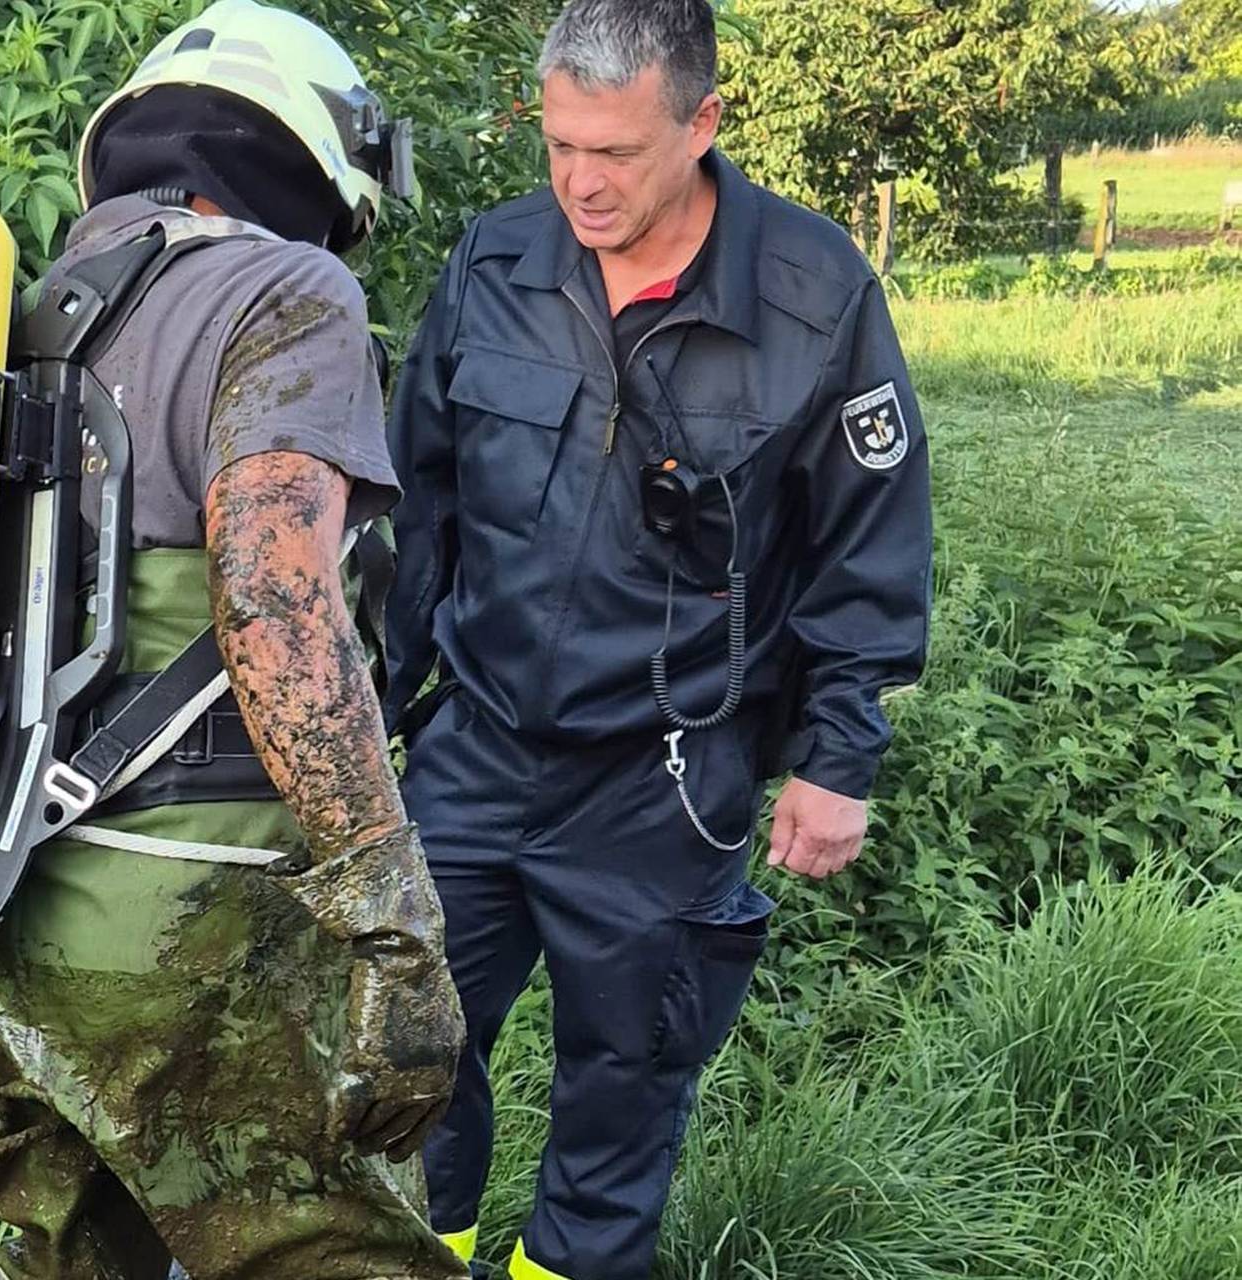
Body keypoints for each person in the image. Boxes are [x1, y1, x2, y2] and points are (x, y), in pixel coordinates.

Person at [380, 1, 933, 1276]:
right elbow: (422, 501)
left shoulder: (813, 295)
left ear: (703, 122)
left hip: (665, 778)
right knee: (409, 1049)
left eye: (616, 152)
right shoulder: (498, 259)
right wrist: (376, 711)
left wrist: (837, 756)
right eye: (560, 143)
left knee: (624, 1085)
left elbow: (871, 540)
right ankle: (418, 1251)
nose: (580, 181)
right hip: (476, 746)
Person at [0, 3, 466, 1276]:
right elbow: (279, 604)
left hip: (5, 913)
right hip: (194, 919)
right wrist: (392, 923)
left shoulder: (31, 313)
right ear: (317, 163)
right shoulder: (288, 289)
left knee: (81, 1260)